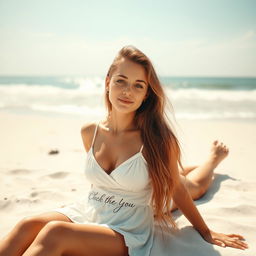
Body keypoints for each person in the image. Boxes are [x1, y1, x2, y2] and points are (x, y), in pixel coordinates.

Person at [0, 46, 248, 256]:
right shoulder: (90, 132)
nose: (128, 91)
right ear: (108, 82)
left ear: (146, 94)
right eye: (121, 81)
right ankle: (186, 167)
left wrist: (206, 231)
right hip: (90, 211)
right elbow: (105, 184)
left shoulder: (156, 139)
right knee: (27, 224)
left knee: (193, 186)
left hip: (129, 229)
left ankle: (212, 160)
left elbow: (178, 189)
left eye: (138, 85)